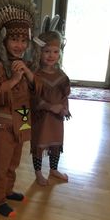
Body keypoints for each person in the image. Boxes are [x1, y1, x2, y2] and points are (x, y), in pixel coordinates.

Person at [0, 22, 36, 218]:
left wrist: (27, 74)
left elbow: (40, 92)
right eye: (14, 39)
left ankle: (8, 190)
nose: (19, 45)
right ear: (4, 41)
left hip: (22, 118)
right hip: (3, 122)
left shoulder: (27, 66)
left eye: (23, 41)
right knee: (1, 163)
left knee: (14, 161)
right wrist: (13, 80)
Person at [31, 30, 71, 186]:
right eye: (47, 51)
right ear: (39, 52)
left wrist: (65, 108)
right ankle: (38, 173)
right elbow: (33, 99)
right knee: (39, 144)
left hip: (57, 118)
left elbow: (64, 95)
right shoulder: (35, 75)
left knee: (56, 142)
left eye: (55, 51)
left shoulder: (62, 75)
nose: (51, 55)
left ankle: (53, 169)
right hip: (41, 118)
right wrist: (49, 106)